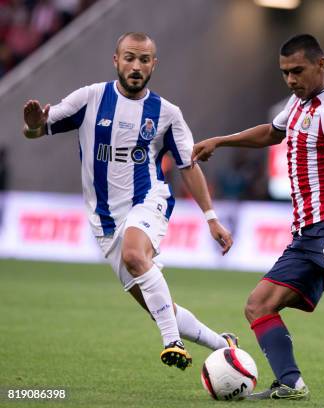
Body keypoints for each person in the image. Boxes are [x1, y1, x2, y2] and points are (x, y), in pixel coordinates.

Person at [192, 34, 324, 399]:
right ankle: (290, 382)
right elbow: (273, 132)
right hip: (306, 234)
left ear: (321, 64)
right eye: (285, 72)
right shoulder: (299, 102)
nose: (290, 79)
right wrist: (221, 141)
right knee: (258, 306)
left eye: (297, 71)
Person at [23, 32, 237, 371]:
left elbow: (188, 166)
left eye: (144, 59)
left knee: (135, 255)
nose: (136, 66)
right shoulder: (90, 98)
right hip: (104, 222)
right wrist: (33, 125)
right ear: (116, 60)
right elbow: (38, 129)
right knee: (159, 306)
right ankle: (223, 344)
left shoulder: (167, 113)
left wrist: (211, 217)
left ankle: (172, 342)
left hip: (148, 199)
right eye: (129, 58)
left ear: (154, 64)